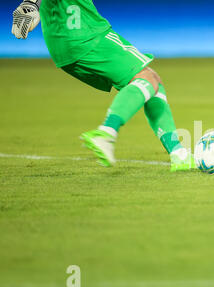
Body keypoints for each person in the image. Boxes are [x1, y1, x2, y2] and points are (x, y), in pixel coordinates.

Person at [11, 0, 195, 171]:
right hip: (86, 33)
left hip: (64, 43)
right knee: (147, 78)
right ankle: (106, 133)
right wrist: (31, 3)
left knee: (152, 82)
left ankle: (179, 154)